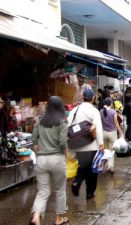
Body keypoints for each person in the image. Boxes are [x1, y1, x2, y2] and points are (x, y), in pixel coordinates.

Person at [30, 96, 69, 225]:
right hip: (57, 158)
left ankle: (36, 216)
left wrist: (39, 151)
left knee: (43, 191)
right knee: (60, 190)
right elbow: (63, 142)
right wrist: (66, 154)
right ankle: (58, 219)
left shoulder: (40, 120)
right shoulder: (62, 121)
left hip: (41, 159)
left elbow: (34, 139)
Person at [67, 89, 104, 199]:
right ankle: (89, 192)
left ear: (83, 97)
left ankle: (77, 182)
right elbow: (98, 128)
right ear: (93, 98)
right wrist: (101, 144)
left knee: (83, 165)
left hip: (78, 145)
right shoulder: (94, 111)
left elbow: (67, 125)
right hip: (91, 145)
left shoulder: (74, 110)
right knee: (93, 170)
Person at [100, 97, 124, 173]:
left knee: (105, 150)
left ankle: (104, 165)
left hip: (103, 133)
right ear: (111, 104)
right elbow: (116, 123)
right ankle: (110, 167)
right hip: (112, 133)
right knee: (111, 150)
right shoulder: (113, 112)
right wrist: (120, 132)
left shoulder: (100, 111)